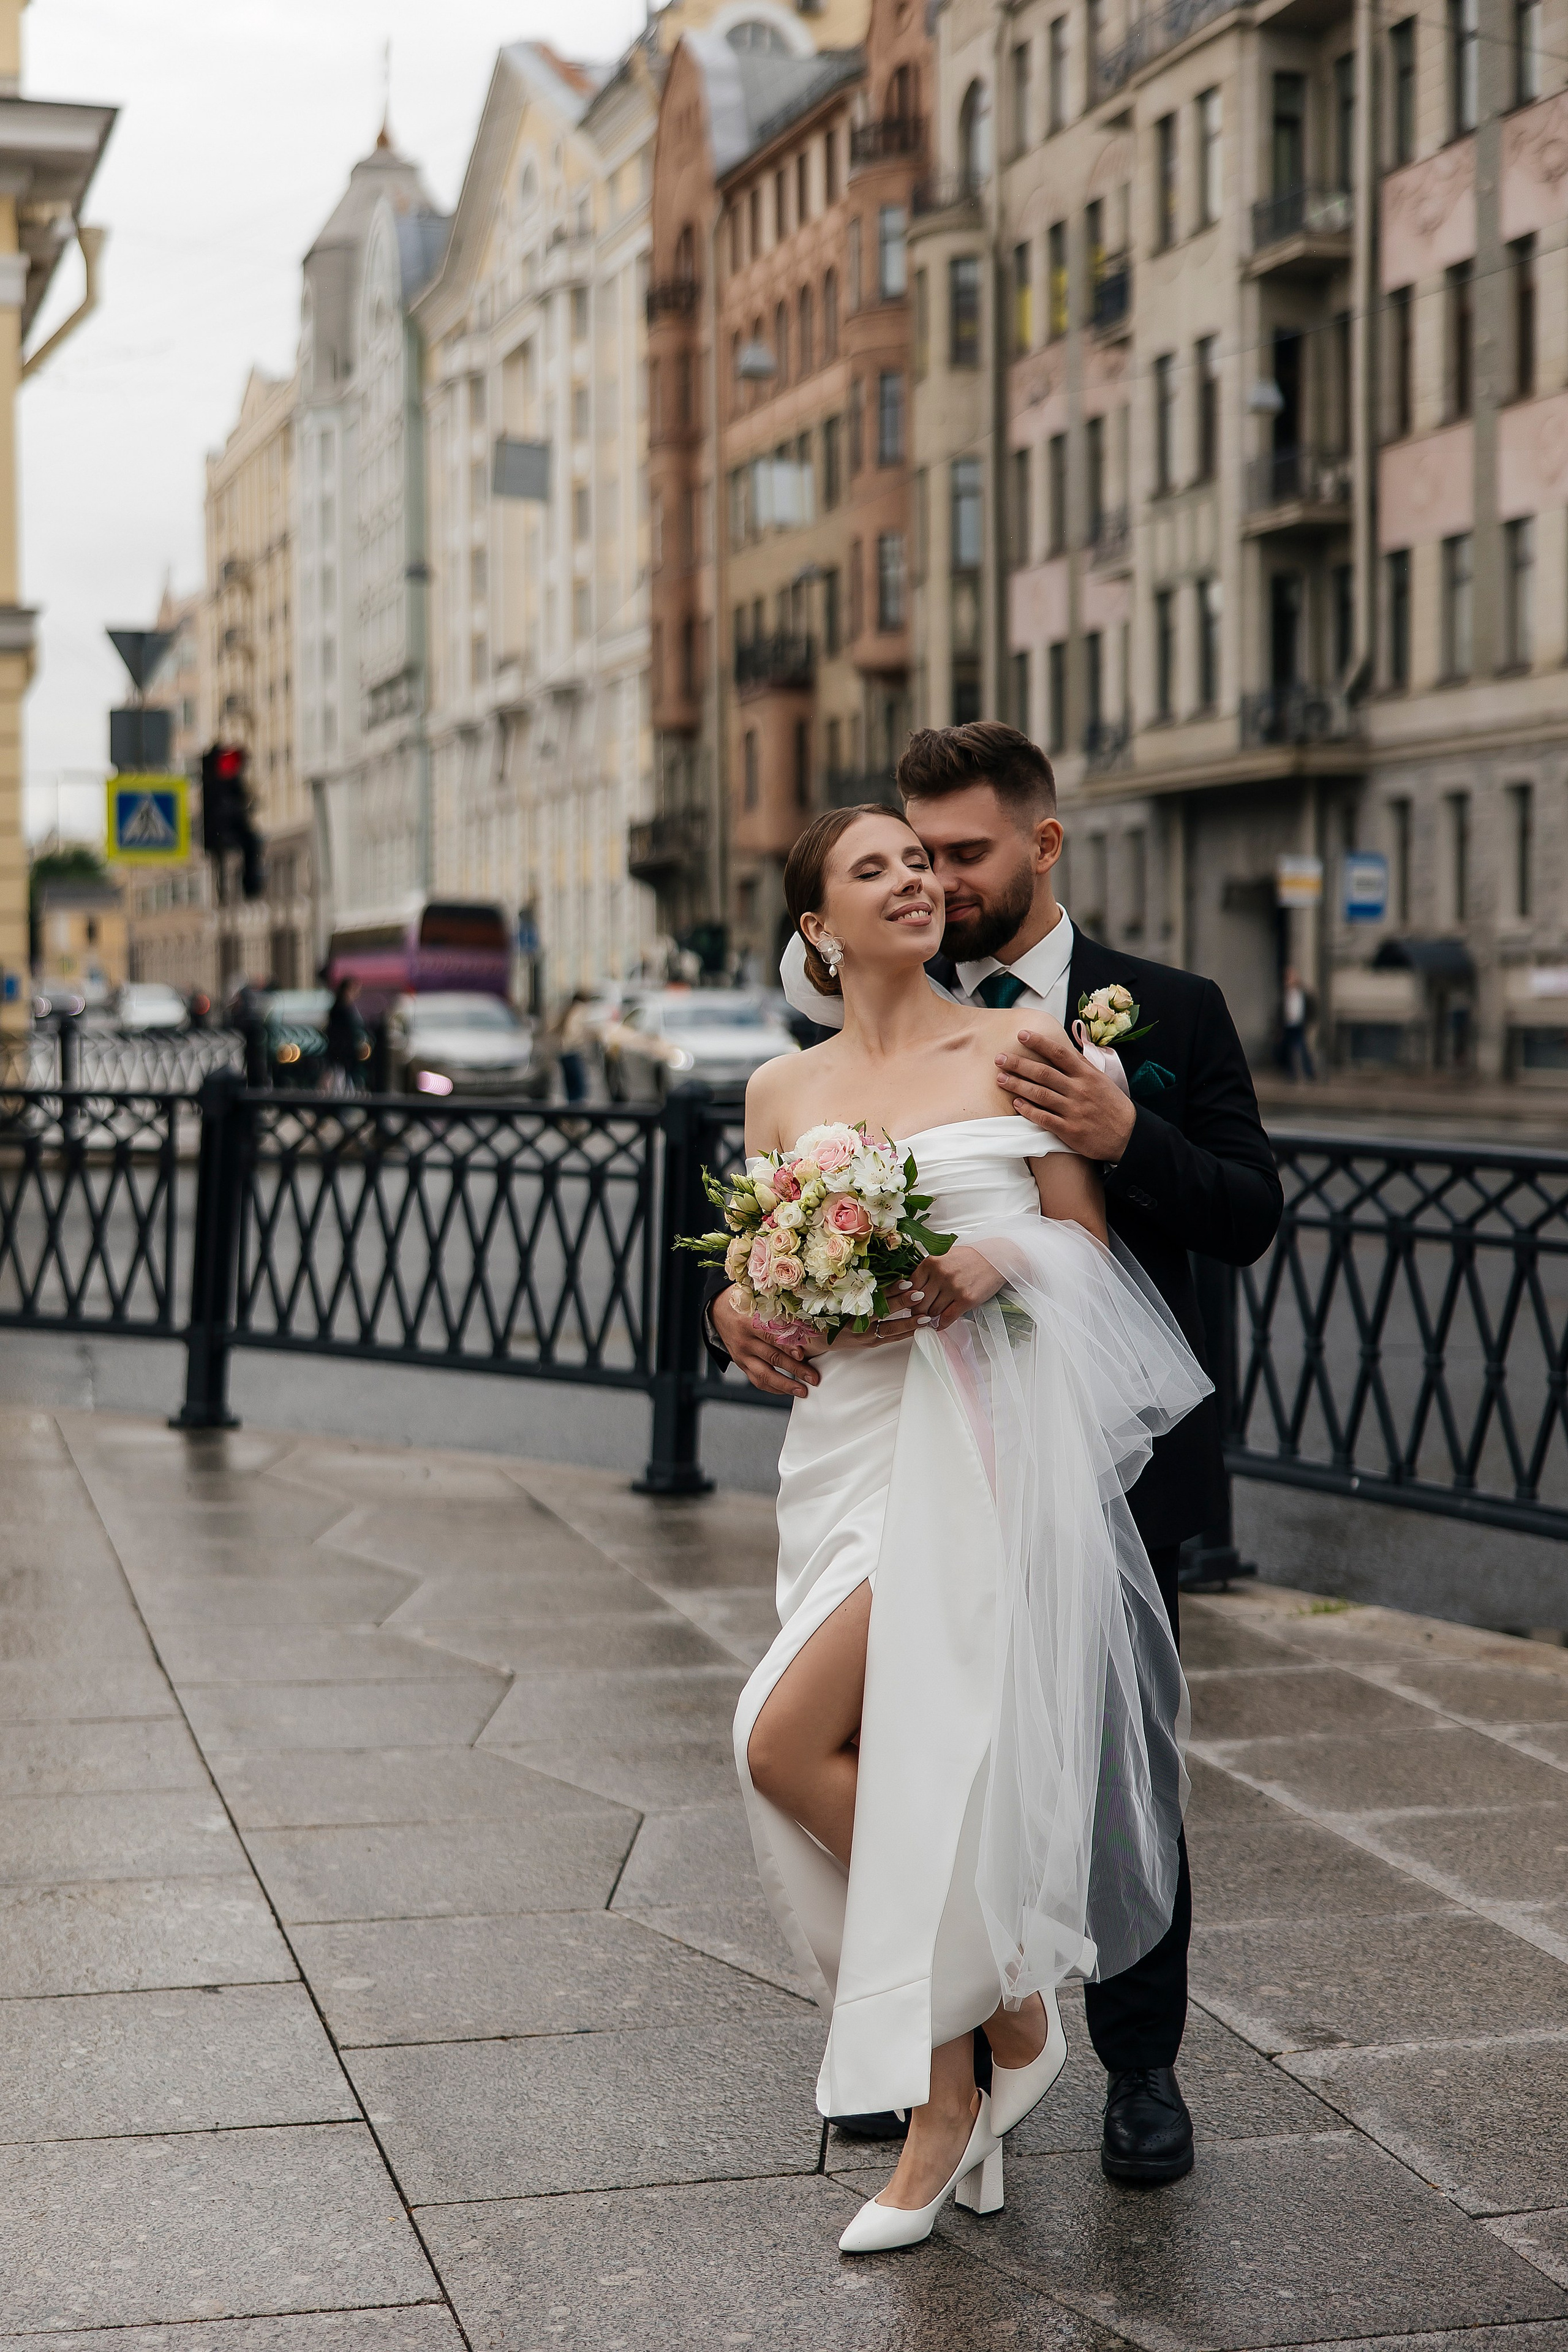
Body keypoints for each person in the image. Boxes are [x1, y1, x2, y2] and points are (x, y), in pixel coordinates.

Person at [712, 722, 1283, 2187]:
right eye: (907, 852)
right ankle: (946, 2033)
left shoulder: (1162, 1008)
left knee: (1106, 1756)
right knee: (897, 1740)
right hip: (899, 1437)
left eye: (958, 853)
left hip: (1104, 1446)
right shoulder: (860, 1035)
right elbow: (763, 1218)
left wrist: (1118, 1128)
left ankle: (1136, 2068)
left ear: (1038, 845)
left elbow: (1244, 1209)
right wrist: (729, 1301)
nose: (935, 878)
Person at [323, 974, 368, 1095]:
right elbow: (338, 1034)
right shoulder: (341, 1010)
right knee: (341, 1085)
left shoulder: (347, 1008)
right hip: (343, 1054)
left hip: (347, 1053)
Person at [1281, 965, 1314, 1080]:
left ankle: (1309, 1072)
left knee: (1302, 1048)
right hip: (1288, 1026)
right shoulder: (1286, 994)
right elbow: (1282, 1010)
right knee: (1289, 1049)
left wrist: (1308, 1022)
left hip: (1299, 1025)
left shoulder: (1302, 993)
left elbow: (1311, 1009)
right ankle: (1291, 1074)